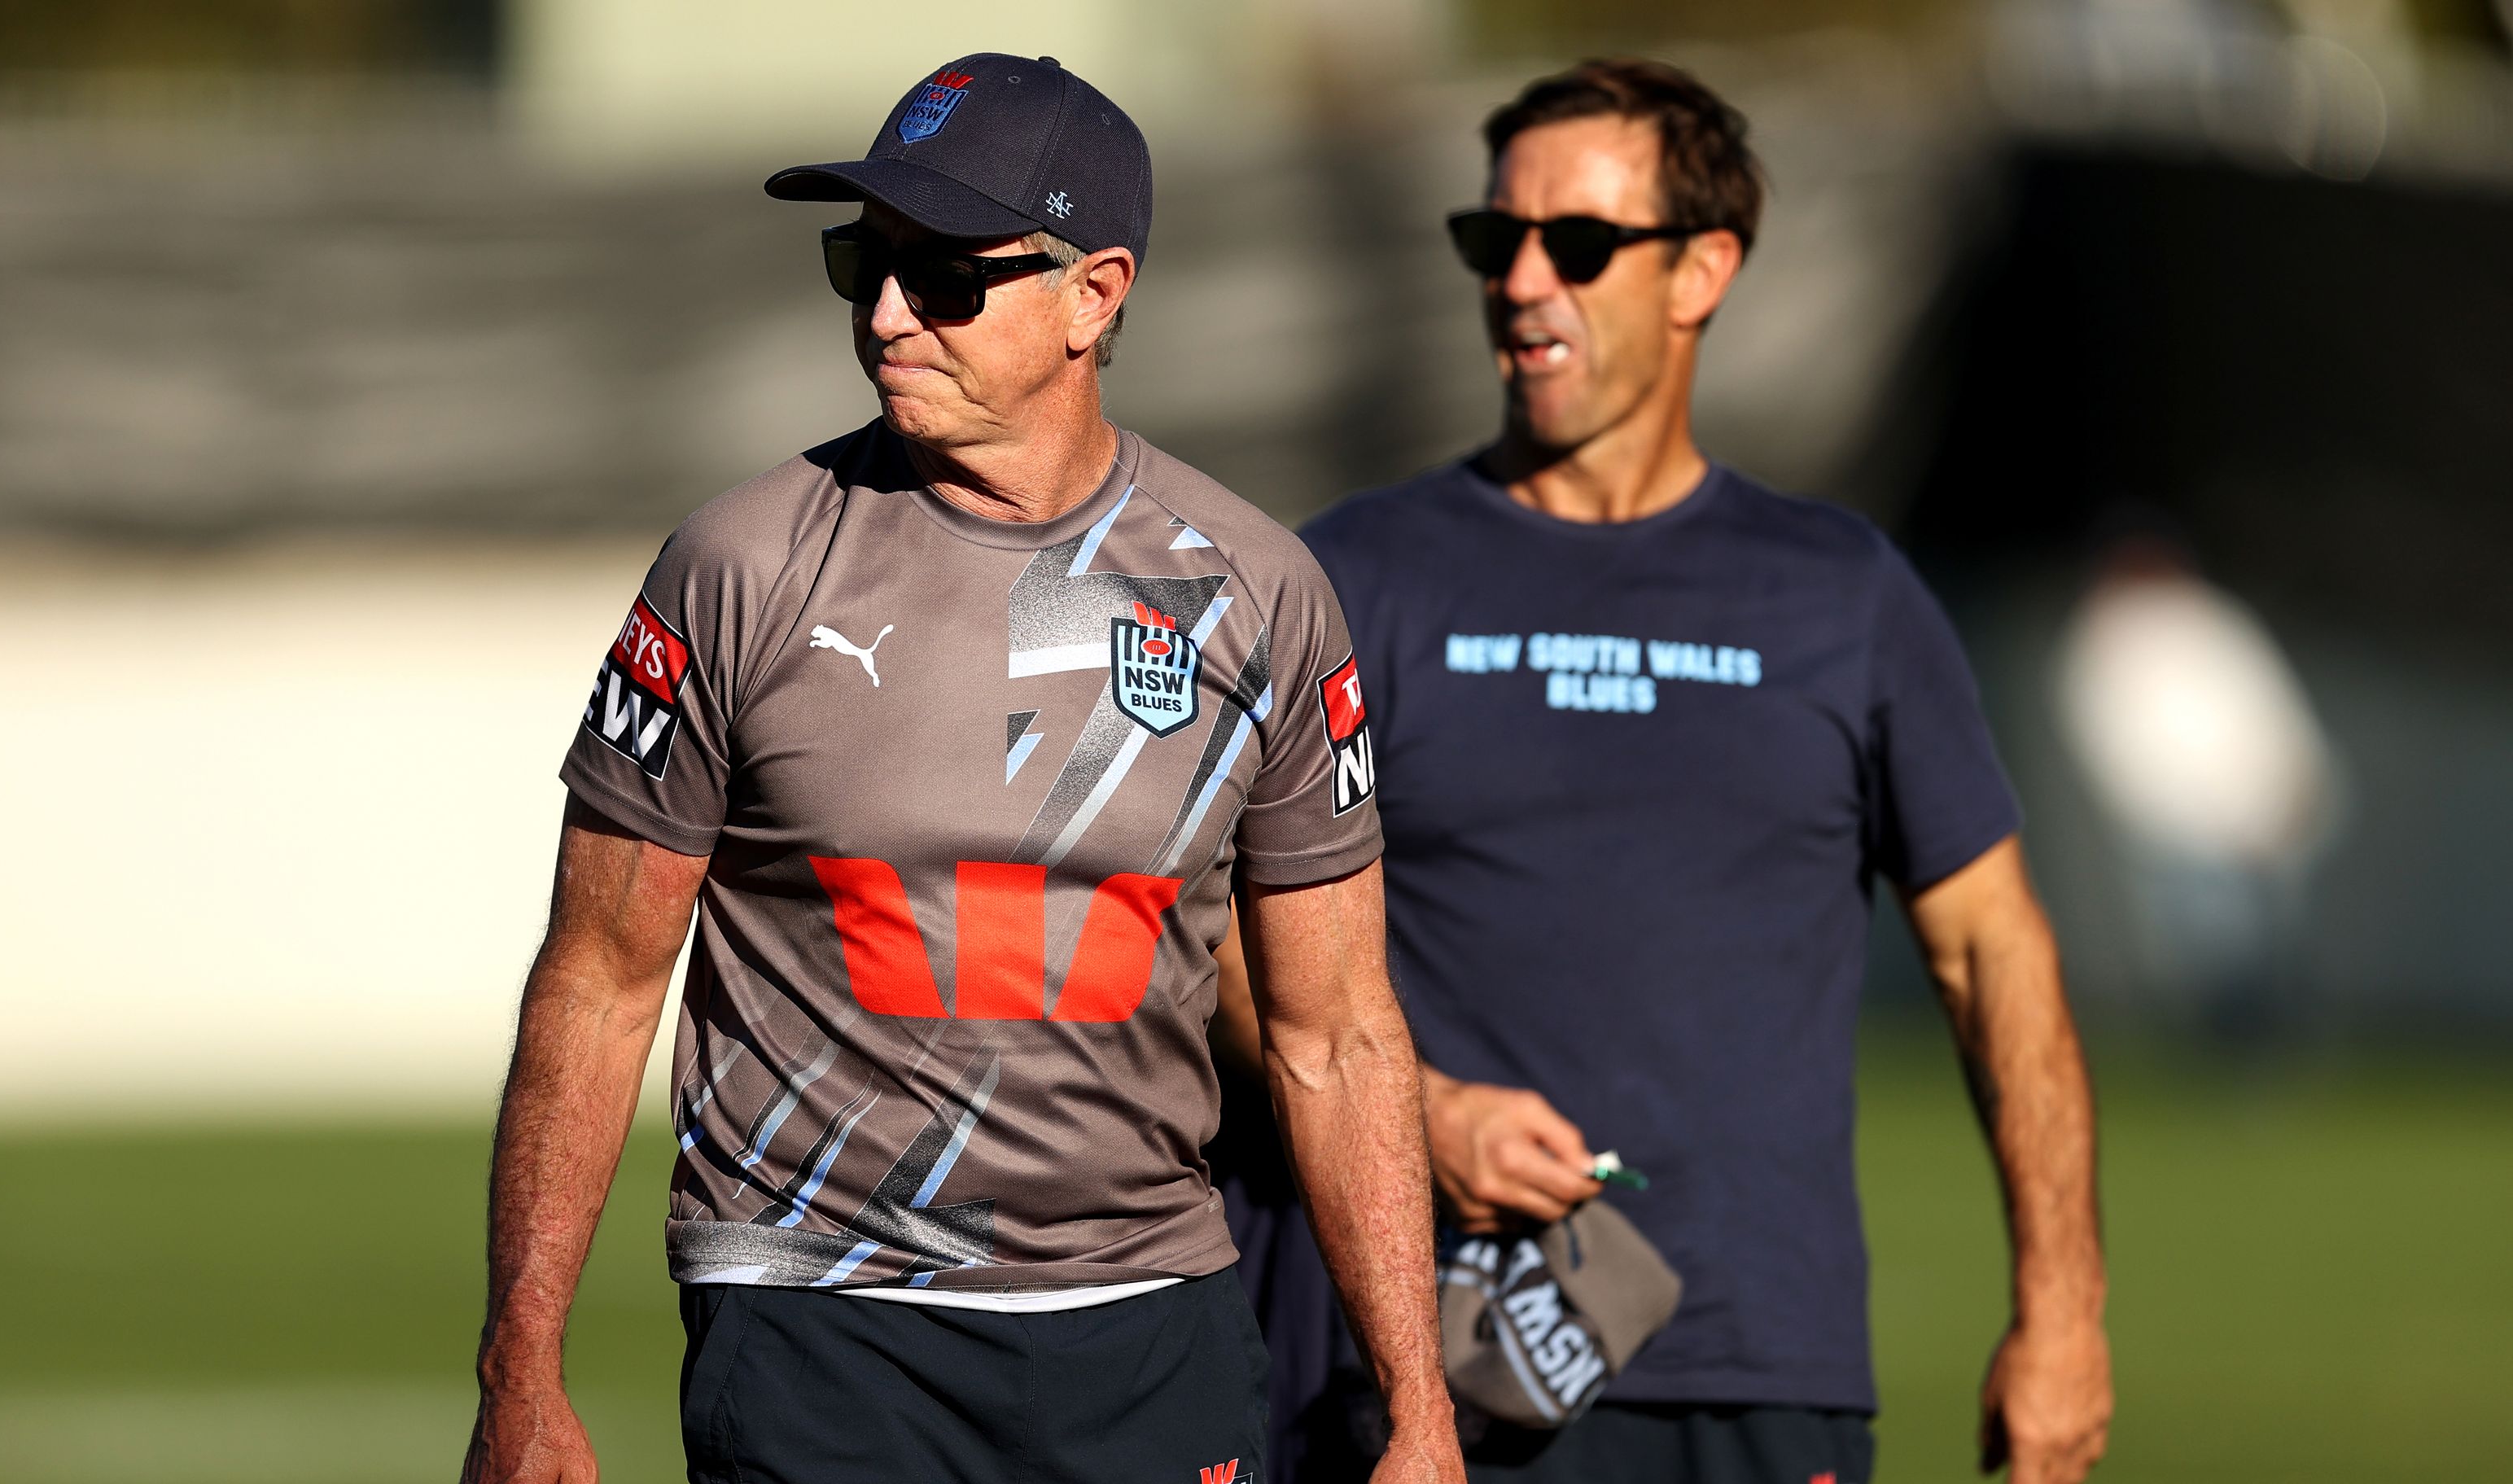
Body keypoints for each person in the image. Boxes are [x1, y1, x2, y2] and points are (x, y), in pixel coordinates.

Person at [457, 53, 1460, 1484]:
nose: (883, 316)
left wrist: (1417, 1410)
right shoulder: (736, 566)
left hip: (1150, 1335)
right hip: (817, 1329)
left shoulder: (1262, 591)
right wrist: (521, 1367)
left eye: (944, 279)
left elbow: (1337, 1030)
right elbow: (600, 982)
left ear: (1093, 295)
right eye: (864, 262)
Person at [1215, 58, 2112, 1484]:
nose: (1519, 280)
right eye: (1489, 240)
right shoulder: (1352, 577)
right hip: (1422, 1370)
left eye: (1574, 243)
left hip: (1762, 1364)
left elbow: (1996, 953)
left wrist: (2062, 1307)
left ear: (1704, 271)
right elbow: (1214, 936)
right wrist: (1427, 1114)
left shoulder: (1845, 595)